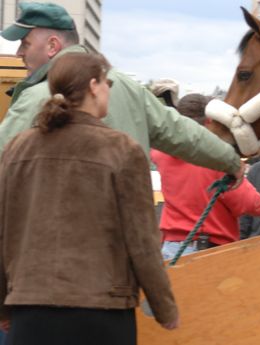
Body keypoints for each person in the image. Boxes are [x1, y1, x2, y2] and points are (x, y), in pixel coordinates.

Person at [0, 52, 178, 344]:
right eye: (107, 82)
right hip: (101, 312)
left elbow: (3, 232)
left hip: (30, 309)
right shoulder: (122, 149)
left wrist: (3, 306)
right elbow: (142, 240)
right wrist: (164, 307)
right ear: (94, 86)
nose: (109, 89)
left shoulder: (18, 148)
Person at [0, 2, 244, 183]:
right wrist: (230, 161)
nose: (20, 52)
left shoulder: (36, 97)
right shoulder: (127, 86)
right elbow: (183, 133)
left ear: (53, 46)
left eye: (25, 44)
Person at [152, 93, 260, 260]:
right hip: (208, 251)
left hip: (171, 248)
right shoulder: (215, 157)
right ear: (209, 121)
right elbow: (244, 201)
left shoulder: (162, 153)